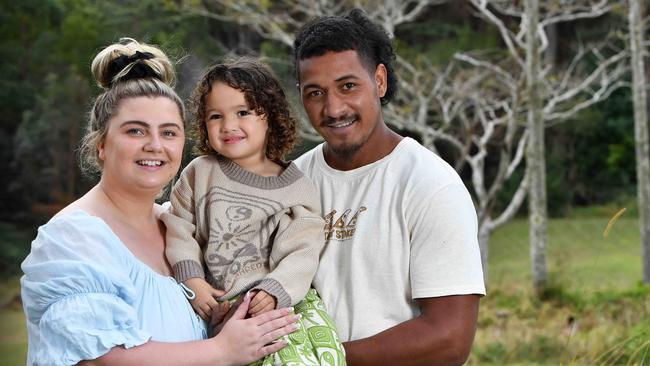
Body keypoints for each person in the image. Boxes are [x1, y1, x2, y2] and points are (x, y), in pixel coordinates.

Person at [20, 38, 299, 366]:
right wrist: (221, 350)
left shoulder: (179, 225)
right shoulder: (74, 237)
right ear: (101, 145)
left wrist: (222, 322)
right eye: (135, 131)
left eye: (168, 133)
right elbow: (98, 359)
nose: (155, 145)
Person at [292, 9, 486, 366]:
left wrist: (323, 360)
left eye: (348, 86)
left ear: (379, 81)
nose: (333, 108)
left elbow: (450, 338)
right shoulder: (289, 184)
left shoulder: (430, 184)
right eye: (315, 93)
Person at [161, 58, 345, 365]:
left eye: (243, 112)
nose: (228, 126)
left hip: (283, 299)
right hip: (222, 302)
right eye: (215, 116)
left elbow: (302, 252)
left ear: (270, 116)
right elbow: (179, 229)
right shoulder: (199, 173)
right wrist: (192, 281)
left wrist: (275, 292)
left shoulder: (296, 187)